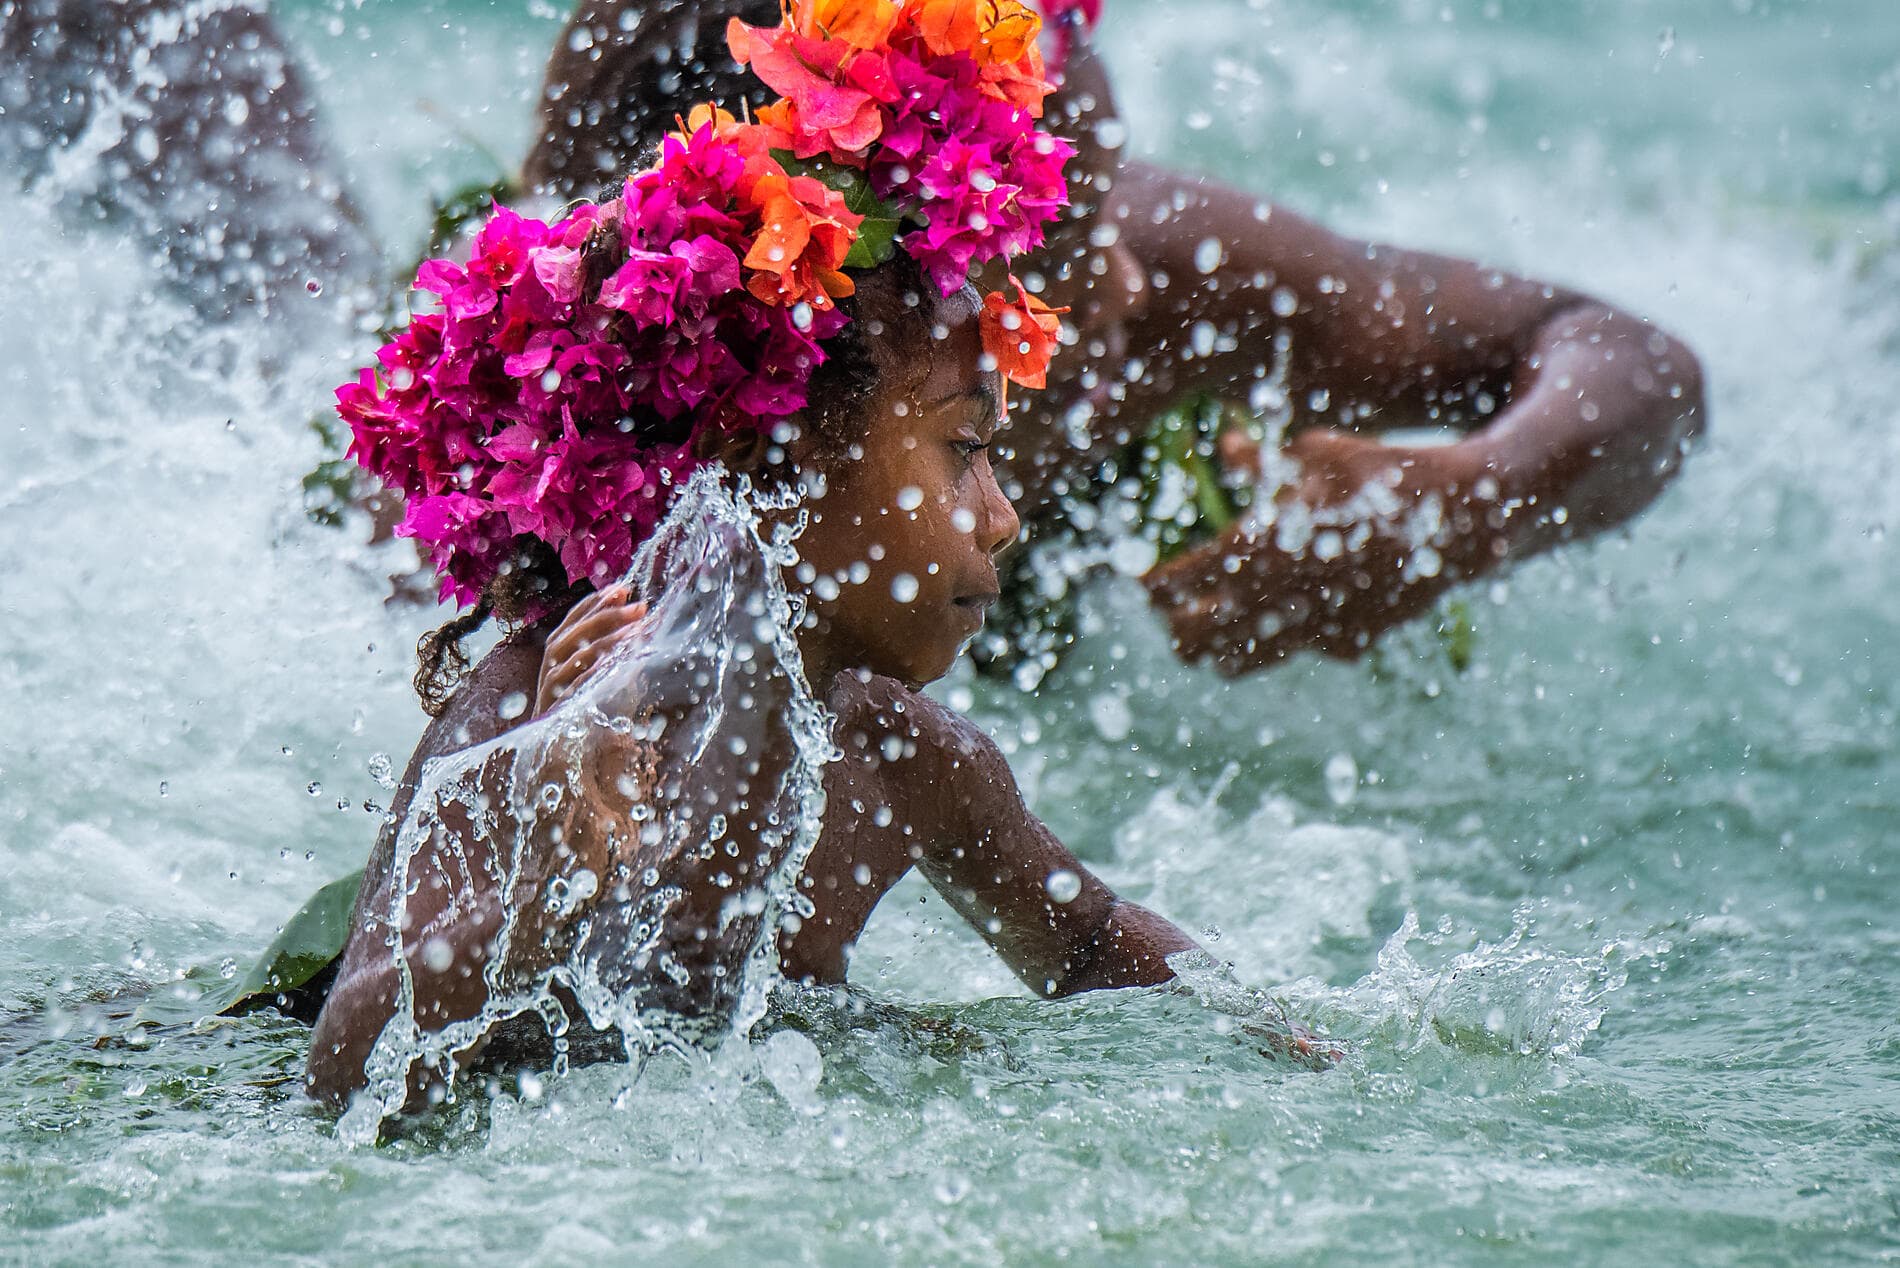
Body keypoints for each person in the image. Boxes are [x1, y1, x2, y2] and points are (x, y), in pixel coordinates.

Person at [304, 0, 1332, 1116]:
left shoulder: (903, 755)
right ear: (764, 461)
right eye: (964, 452)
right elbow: (345, 1064)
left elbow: (1088, 950)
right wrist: (546, 876)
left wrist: (1290, 1044)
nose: (1001, 517)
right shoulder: (546, 711)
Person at [520, 0, 1707, 681]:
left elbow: (1627, 355)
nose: (1130, 275)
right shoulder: (559, 484)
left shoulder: (1170, 278)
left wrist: (1464, 502)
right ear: (855, 289)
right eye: (1068, 228)